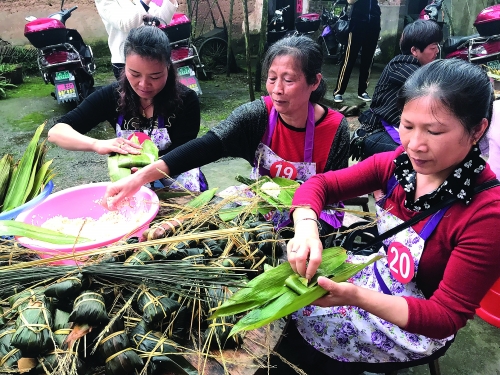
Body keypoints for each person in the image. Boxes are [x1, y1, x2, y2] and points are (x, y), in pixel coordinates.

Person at [282, 59, 500, 374]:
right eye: (407, 126)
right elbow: (321, 185)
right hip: (380, 273)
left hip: (419, 318)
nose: (414, 144)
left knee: (314, 348)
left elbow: (444, 317)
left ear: (477, 129)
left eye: (434, 131)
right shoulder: (400, 164)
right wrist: (305, 229)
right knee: (292, 307)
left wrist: (355, 296)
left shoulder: (486, 214)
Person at [102, 35, 350, 232]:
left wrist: (304, 223)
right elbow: (209, 145)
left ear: (314, 82)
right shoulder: (256, 115)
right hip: (261, 205)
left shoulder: (335, 128)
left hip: (313, 215)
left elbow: (335, 190)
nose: (277, 89)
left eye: (288, 80)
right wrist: (139, 178)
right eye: (272, 78)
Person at [48, 23, 207, 192]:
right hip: (130, 177)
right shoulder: (111, 95)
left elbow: (184, 155)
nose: (144, 84)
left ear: (168, 67)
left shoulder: (186, 100)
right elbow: (56, 132)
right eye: (135, 74)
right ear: (124, 67)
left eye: (155, 76)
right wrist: (97, 144)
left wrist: (145, 174)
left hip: (177, 176)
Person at [350, 19, 442, 161]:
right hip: (377, 131)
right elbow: (436, 90)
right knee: (414, 158)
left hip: (396, 130)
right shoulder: (401, 66)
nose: (437, 51)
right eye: (433, 47)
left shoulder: (418, 68)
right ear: (414, 51)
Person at [95, 0, 178, 80]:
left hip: (152, 57)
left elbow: (162, 19)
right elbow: (124, 24)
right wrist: (145, 2)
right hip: (126, 62)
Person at [333, 0, 381, 103]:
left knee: (368, 60)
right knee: (349, 59)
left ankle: (362, 91)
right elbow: (350, 1)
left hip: (374, 24)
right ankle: (338, 91)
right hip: (357, 24)